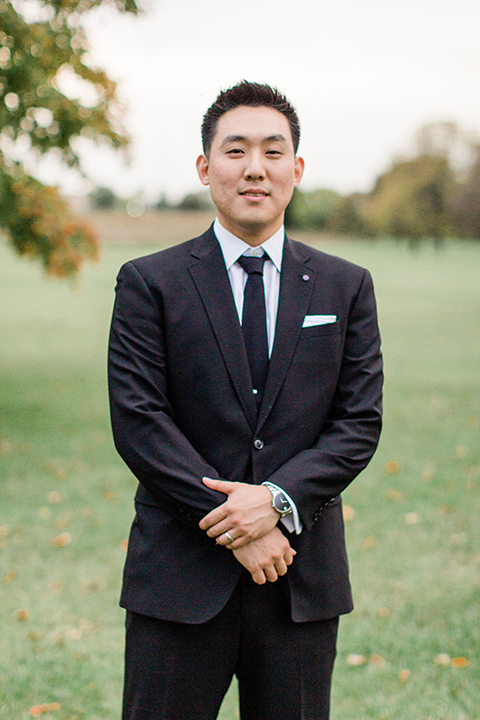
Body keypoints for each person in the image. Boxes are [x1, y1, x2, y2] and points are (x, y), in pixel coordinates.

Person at [108, 80, 383, 720]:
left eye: (272, 150)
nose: (254, 167)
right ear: (205, 168)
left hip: (300, 577)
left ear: (297, 168)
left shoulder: (347, 287)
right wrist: (239, 526)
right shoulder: (150, 282)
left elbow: (358, 423)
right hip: (177, 579)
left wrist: (276, 502)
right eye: (235, 151)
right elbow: (140, 423)